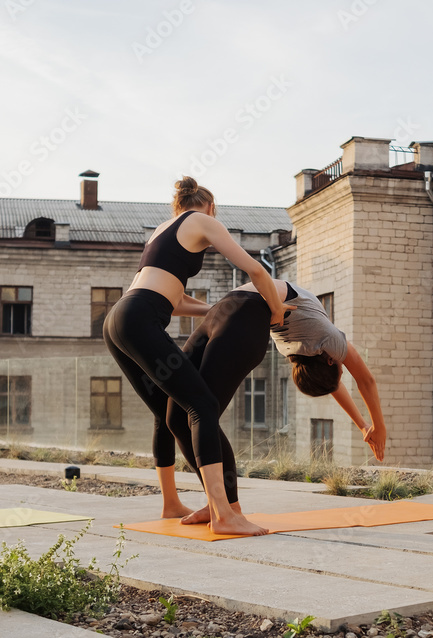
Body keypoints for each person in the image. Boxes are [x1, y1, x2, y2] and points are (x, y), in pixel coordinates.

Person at [102, 176, 292, 536]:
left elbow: (173, 300)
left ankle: (171, 502)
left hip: (119, 319)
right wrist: (277, 308)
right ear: (209, 206)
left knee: (167, 409)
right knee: (202, 405)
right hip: (140, 318)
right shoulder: (203, 220)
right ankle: (224, 515)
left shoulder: (161, 230)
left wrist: (215, 310)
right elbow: (255, 270)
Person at [166, 279, 386, 525]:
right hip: (225, 310)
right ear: (330, 360)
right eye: (342, 370)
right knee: (176, 417)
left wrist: (363, 425)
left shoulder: (310, 349)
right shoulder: (327, 337)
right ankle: (219, 505)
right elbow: (365, 379)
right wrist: (379, 426)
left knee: (200, 414)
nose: (343, 368)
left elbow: (334, 384)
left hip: (237, 314)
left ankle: (227, 508)